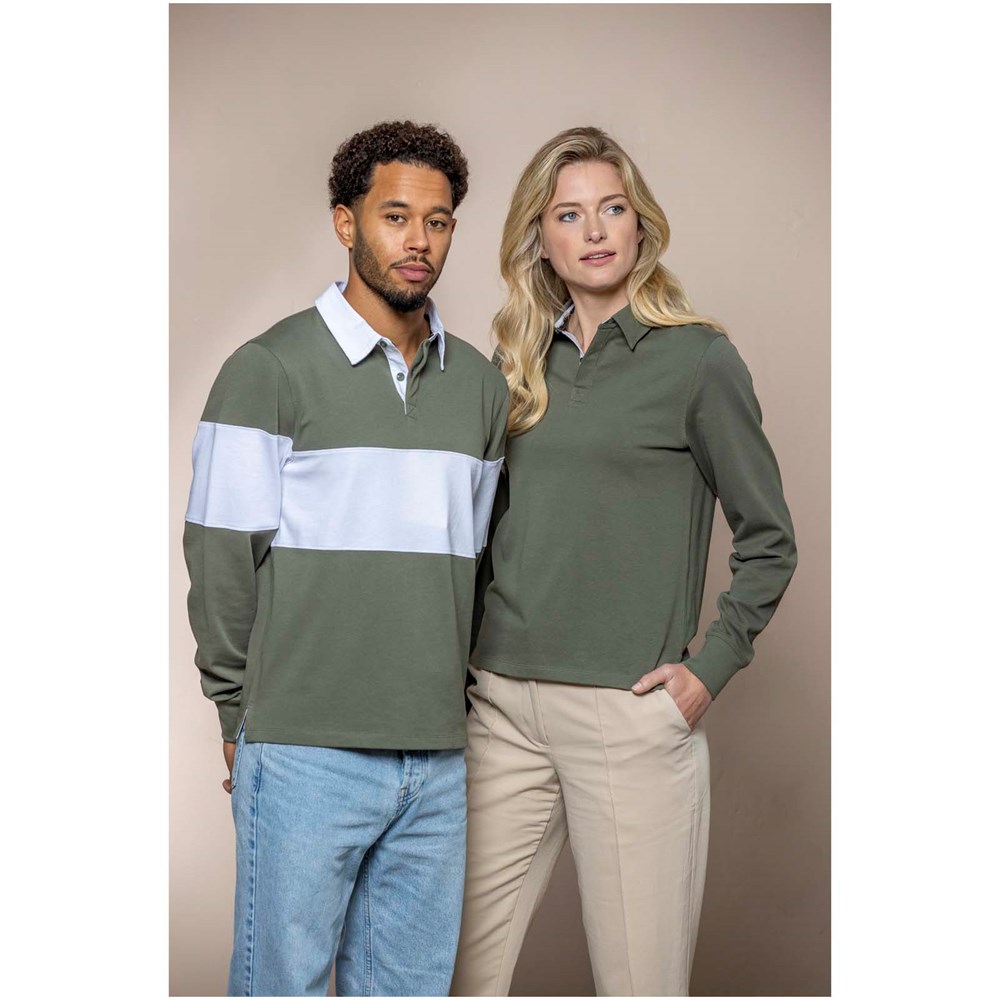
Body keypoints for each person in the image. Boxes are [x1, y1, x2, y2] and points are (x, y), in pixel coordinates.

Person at [451, 126, 797, 997]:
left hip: (629, 715)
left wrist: (707, 672)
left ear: (640, 223)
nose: (596, 229)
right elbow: (485, 535)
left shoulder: (699, 360)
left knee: (640, 985)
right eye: (569, 214)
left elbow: (769, 538)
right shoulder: (515, 365)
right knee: (450, 971)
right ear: (541, 238)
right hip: (502, 707)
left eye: (612, 208)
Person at [183, 120, 508, 997]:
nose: (418, 241)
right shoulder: (269, 369)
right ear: (345, 222)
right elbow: (220, 559)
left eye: (437, 221)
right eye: (395, 216)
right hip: (302, 754)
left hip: (435, 761)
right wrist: (236, 713)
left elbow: (475, 570)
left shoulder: (481, 389)